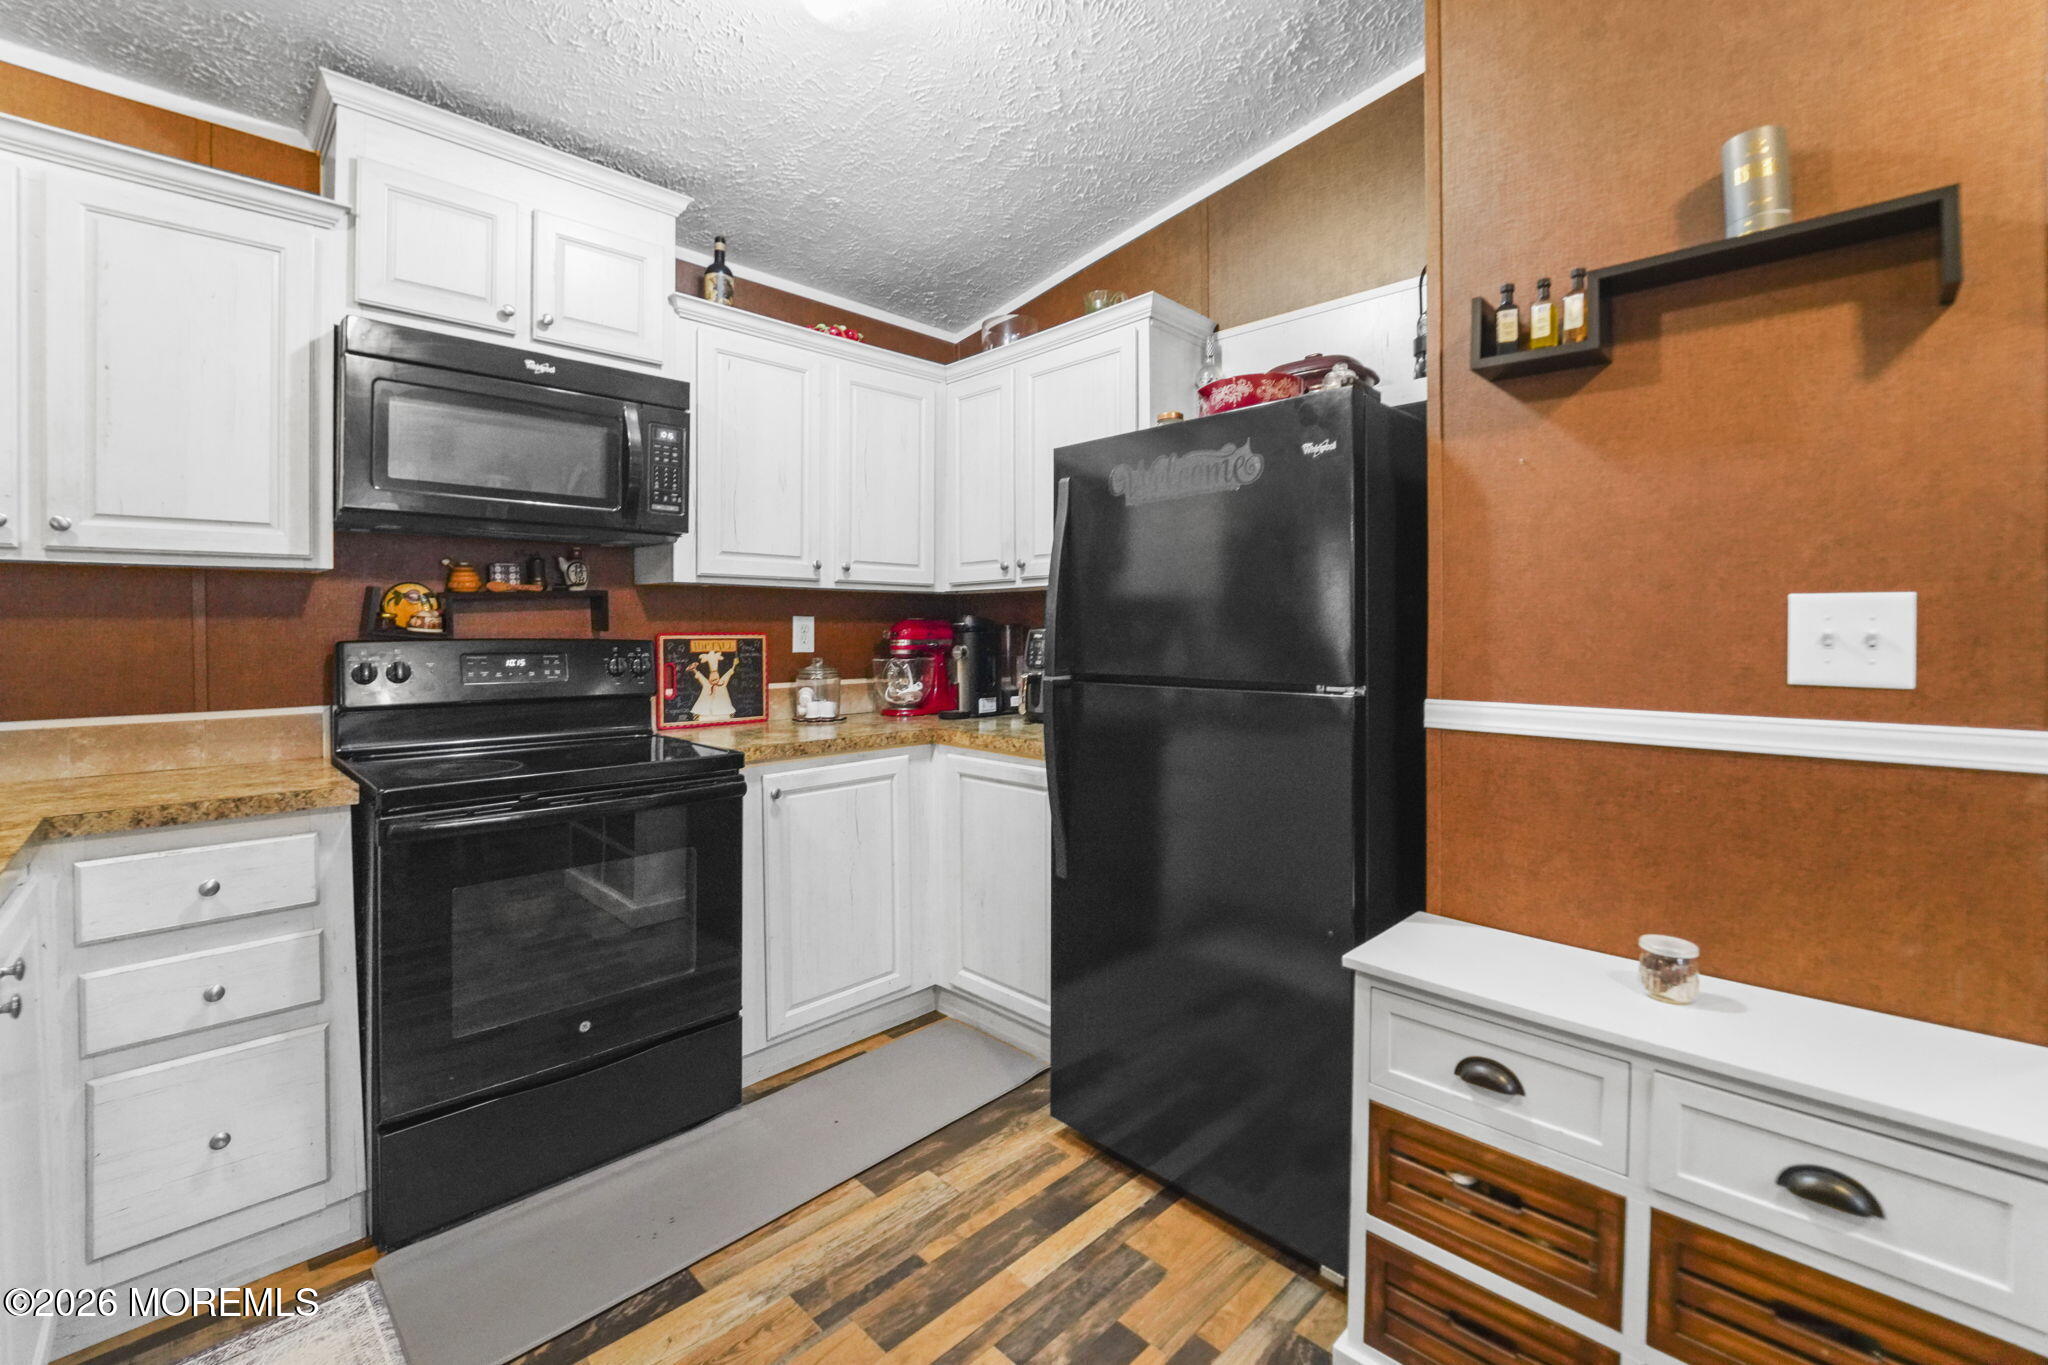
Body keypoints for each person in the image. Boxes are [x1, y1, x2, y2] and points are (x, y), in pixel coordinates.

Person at [688, 649, 738, 719]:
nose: (714, 680)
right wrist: (694, 669)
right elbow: (700, 677)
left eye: (716, 678)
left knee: (723, 715)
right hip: (707, 712)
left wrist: (734, 666)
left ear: (718, 676)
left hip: (722, 711)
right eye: (712, 678)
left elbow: (728, 674)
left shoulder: (722, 683)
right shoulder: (707, 684)